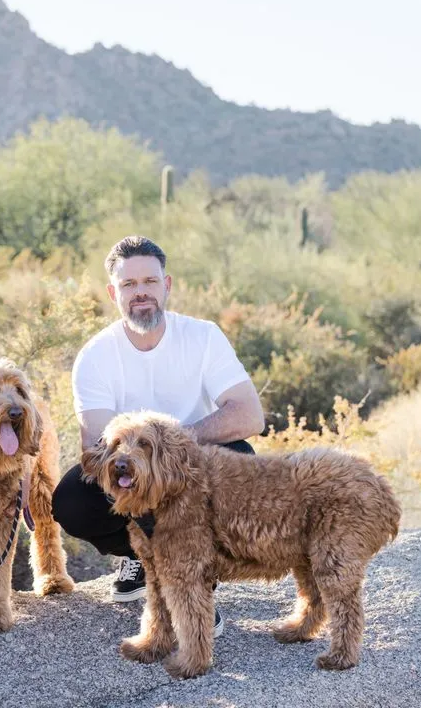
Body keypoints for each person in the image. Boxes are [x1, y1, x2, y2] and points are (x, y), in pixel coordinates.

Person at [52, 235, 265, 635]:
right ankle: (140, 556)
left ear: (166, 286)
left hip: (193, 466)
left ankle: (195, 584)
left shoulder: (202, 336)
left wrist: (171, 445)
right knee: (71, 502)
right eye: (129, 285)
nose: (141, 293)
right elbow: (95, 447)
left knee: (242, 459)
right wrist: (141, 458)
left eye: (149, 282)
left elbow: (250, 414)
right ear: (114, 292)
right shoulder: (96, 355)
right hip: (129, 474)